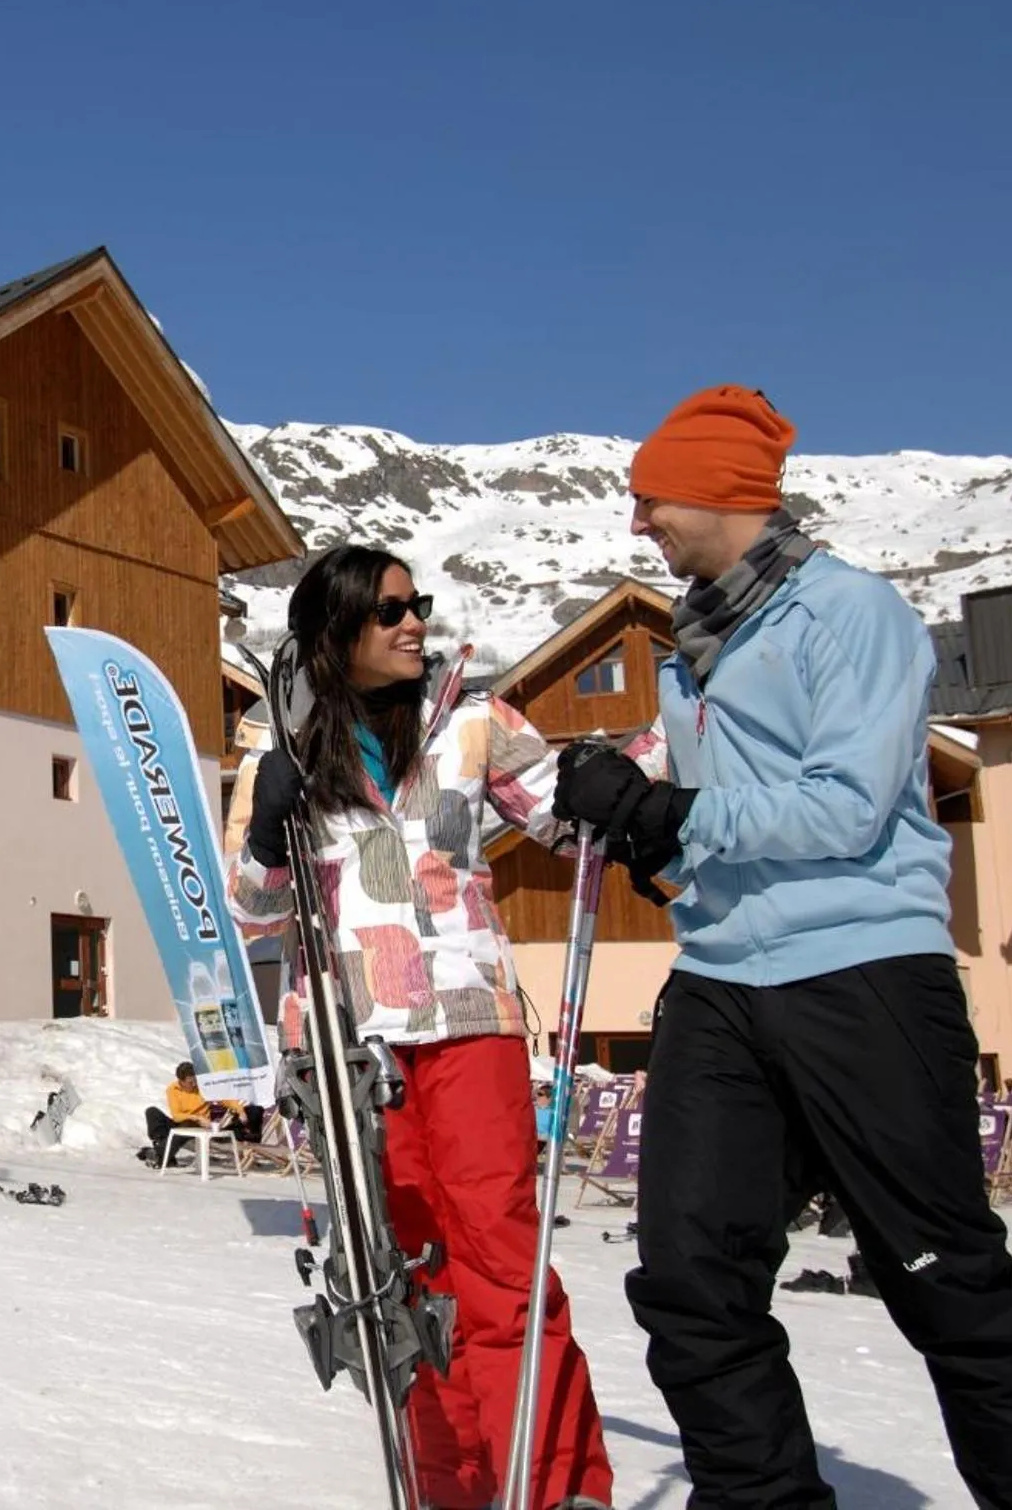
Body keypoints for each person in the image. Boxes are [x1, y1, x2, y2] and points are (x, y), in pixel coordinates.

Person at [551, 385, 1012, 1509]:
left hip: (861, 972)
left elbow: (847, 809)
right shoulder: (689, 649)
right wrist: (633, 824)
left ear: (717, 490)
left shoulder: (849, 614)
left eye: (651, 498)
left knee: (940, 1276)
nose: (638, 524)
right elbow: (725, 828)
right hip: (718, 979)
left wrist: (677, 814)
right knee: (691, 1281)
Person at [232, 544, 614, 1510]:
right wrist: (268, 835)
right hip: (350, 1042)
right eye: (389, 611)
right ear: (335, 632)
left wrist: (618, 782)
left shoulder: (472, 722)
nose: (415, 624)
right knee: (404, 1276)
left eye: (418, 605)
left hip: (465, 1018)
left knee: (499, 1258)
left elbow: (571, 817)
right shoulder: (270, 741)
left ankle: (553, 1486)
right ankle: (451, 1488)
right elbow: (251, 913)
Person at [141, 1062, 263, 1167]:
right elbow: (176, 1115)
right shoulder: (172, 1089)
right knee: (152, 1112)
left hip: (198, 1128)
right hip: (184, 1122)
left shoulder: (203, 1087)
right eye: (190, 1082)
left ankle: (159, 1154)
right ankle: (165, 1154)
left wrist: (240, 1111)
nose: (194, 1084)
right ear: (181, 1081)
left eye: (195, 1080)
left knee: (188, 1123)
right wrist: (197, 1117)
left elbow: (226, 1099)